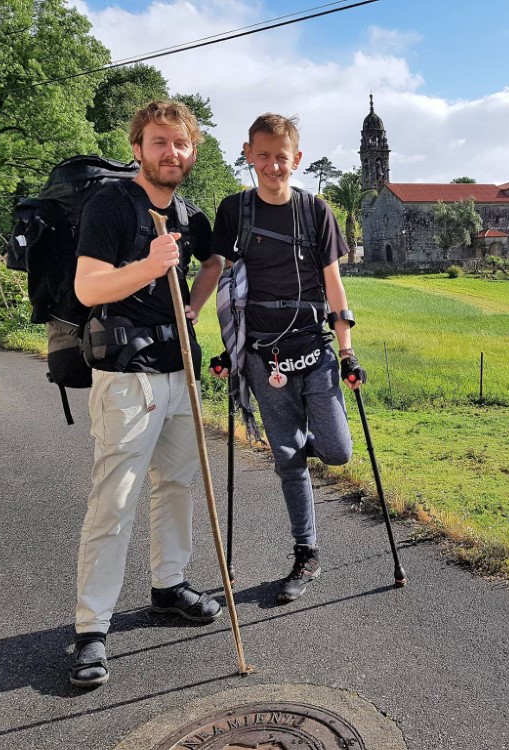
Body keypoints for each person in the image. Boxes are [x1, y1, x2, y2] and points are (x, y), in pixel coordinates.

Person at [69, 100, 225, 688]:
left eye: (181, 144)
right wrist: (151, 263)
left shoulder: (189, 211)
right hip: (126, 375)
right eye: (160, 142)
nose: (171, 153)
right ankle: (91, 628)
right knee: (115, 501)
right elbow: (88, 288)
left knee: (177, 485)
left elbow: (213, 259)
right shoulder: (112, 204)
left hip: (178, 369)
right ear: (138, 147)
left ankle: (169, 586)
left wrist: (194, 302)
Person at [210, 113, 365, 605]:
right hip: (262, 355)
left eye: (282, 156)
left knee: (338, 451)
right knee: (288, 460)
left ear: (296, 159)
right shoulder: (234, 210)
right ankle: (306, 551)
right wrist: (227, 347)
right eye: (264, 156)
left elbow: (333, 279)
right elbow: (226, 283)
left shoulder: (316, 210)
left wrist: (346, 349)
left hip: (314, 350)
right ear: (249, 156)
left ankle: (297, 451)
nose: (273, 165)